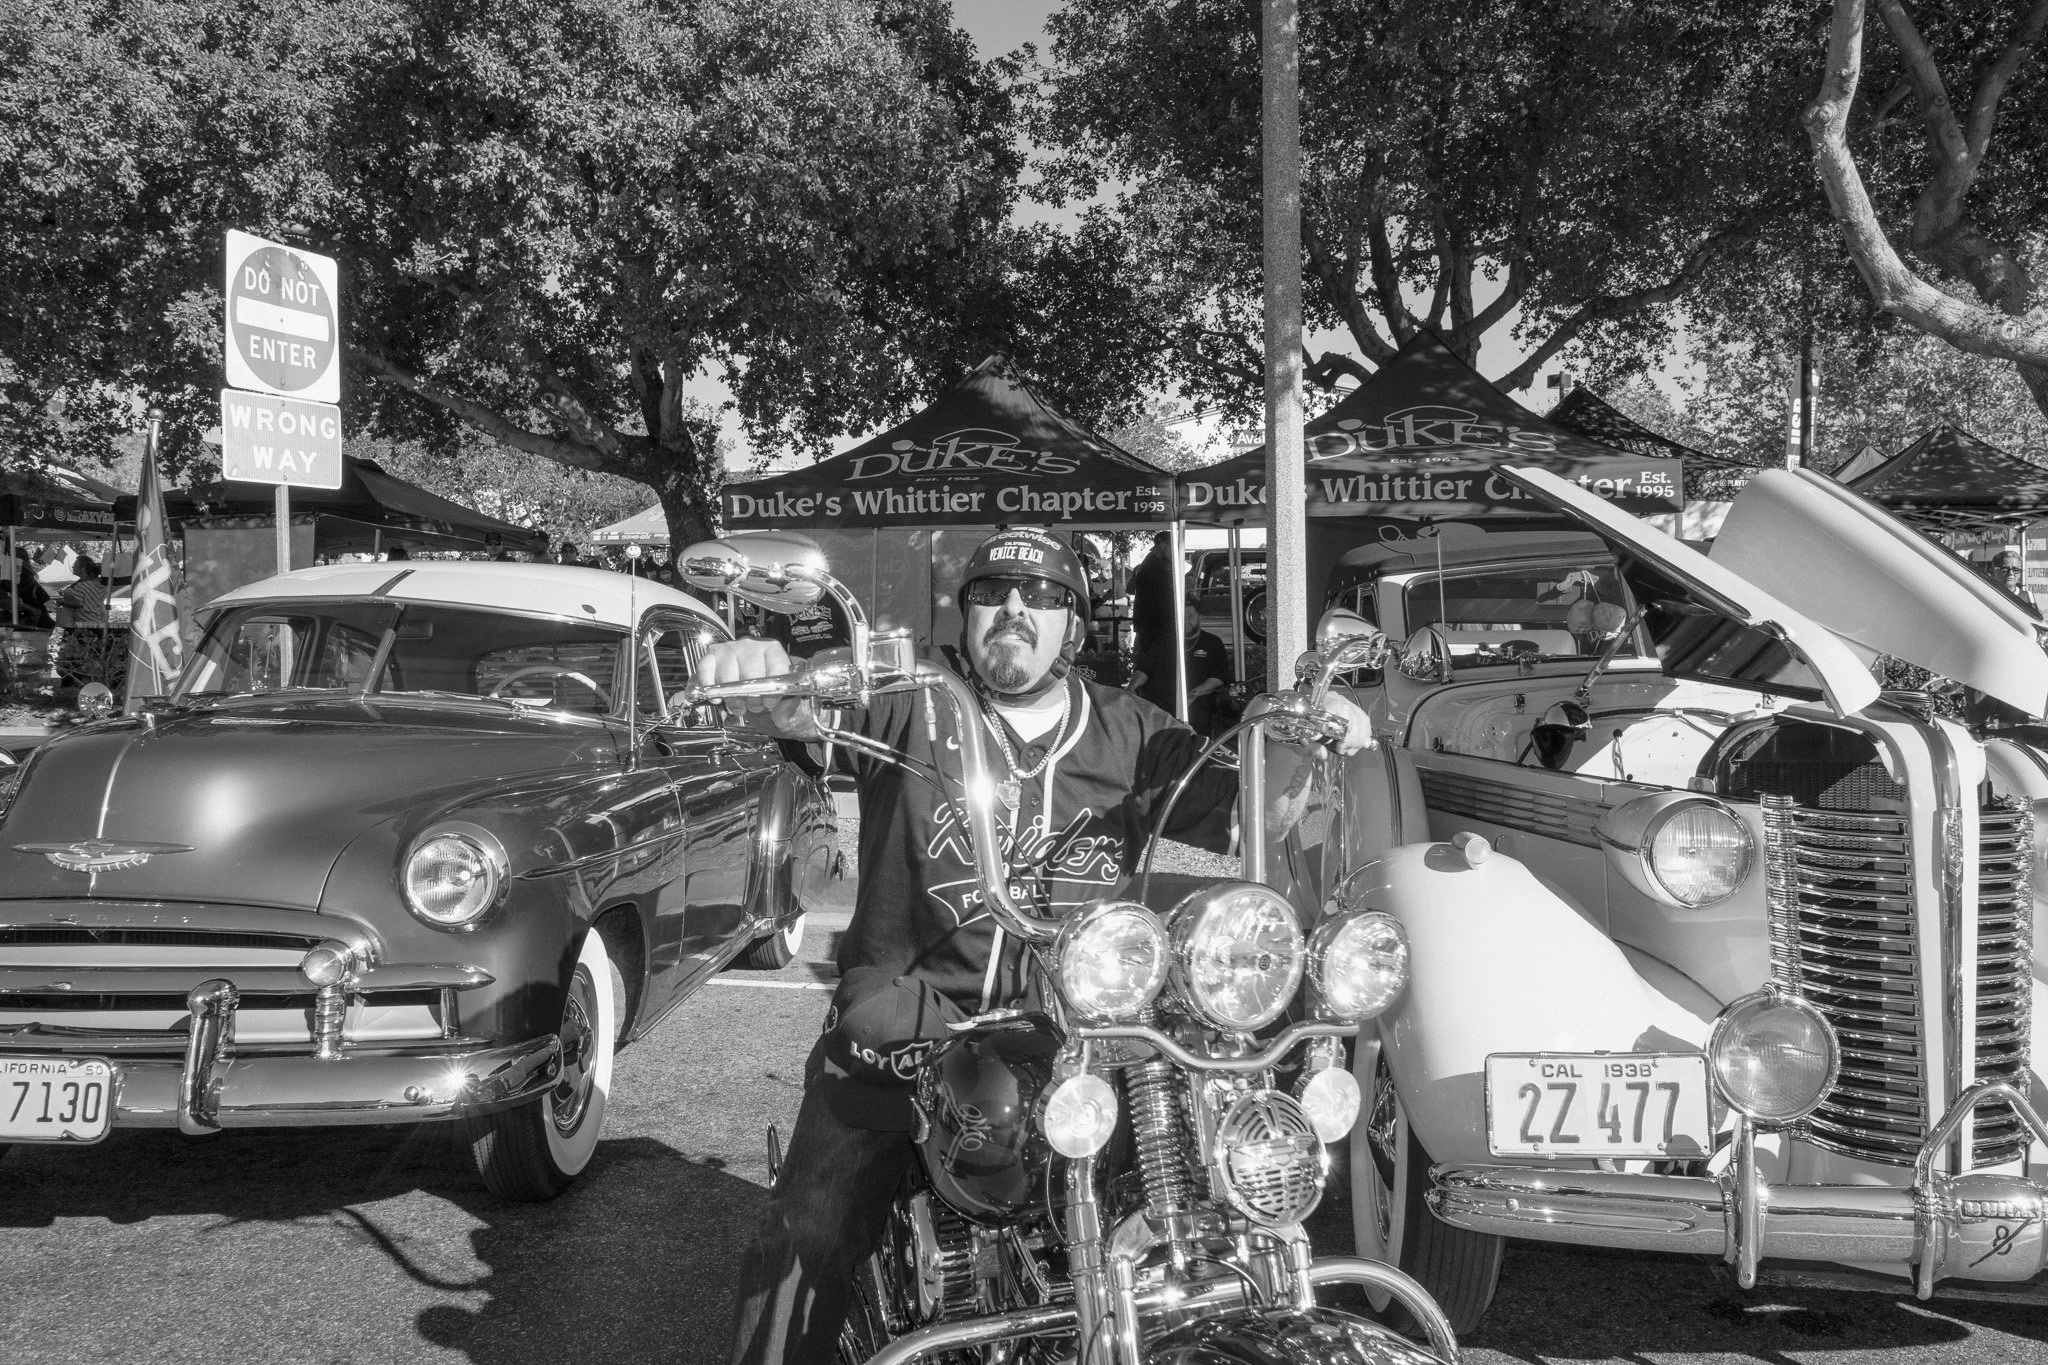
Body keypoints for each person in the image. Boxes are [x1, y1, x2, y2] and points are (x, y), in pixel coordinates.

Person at [710, 526, 1372, 1365]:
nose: (1015, 608)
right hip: (903, 1024)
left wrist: (1305, 742)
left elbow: (1254, 808)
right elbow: (805, 710)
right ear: (966, 612)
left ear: (1074, 623)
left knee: (1193, 1216)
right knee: (806, 1236)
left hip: (1074, 1043)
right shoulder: (912, 694)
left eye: (1044, 595)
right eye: (992, 591)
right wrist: (766, 676)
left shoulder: (1130, 731)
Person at [1130, 593, 1230, 734]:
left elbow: (1218, 678)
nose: (1187, 621)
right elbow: (1144, 669)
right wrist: (1131, 688)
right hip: (1158, 705)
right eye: (1183, 617)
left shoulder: (1213, 643)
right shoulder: (1164, 641)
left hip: (1195, 704)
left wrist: (1193, 694)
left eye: (1191, 616)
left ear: (1200, 617)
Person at [1128, 529, 1179, 656]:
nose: (1174, 551)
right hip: (1155, 627)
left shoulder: (1151, 563)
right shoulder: (1153, 566)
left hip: (1152, 626)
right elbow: (1162, 599)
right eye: (1172, 546)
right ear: (1163, 544)